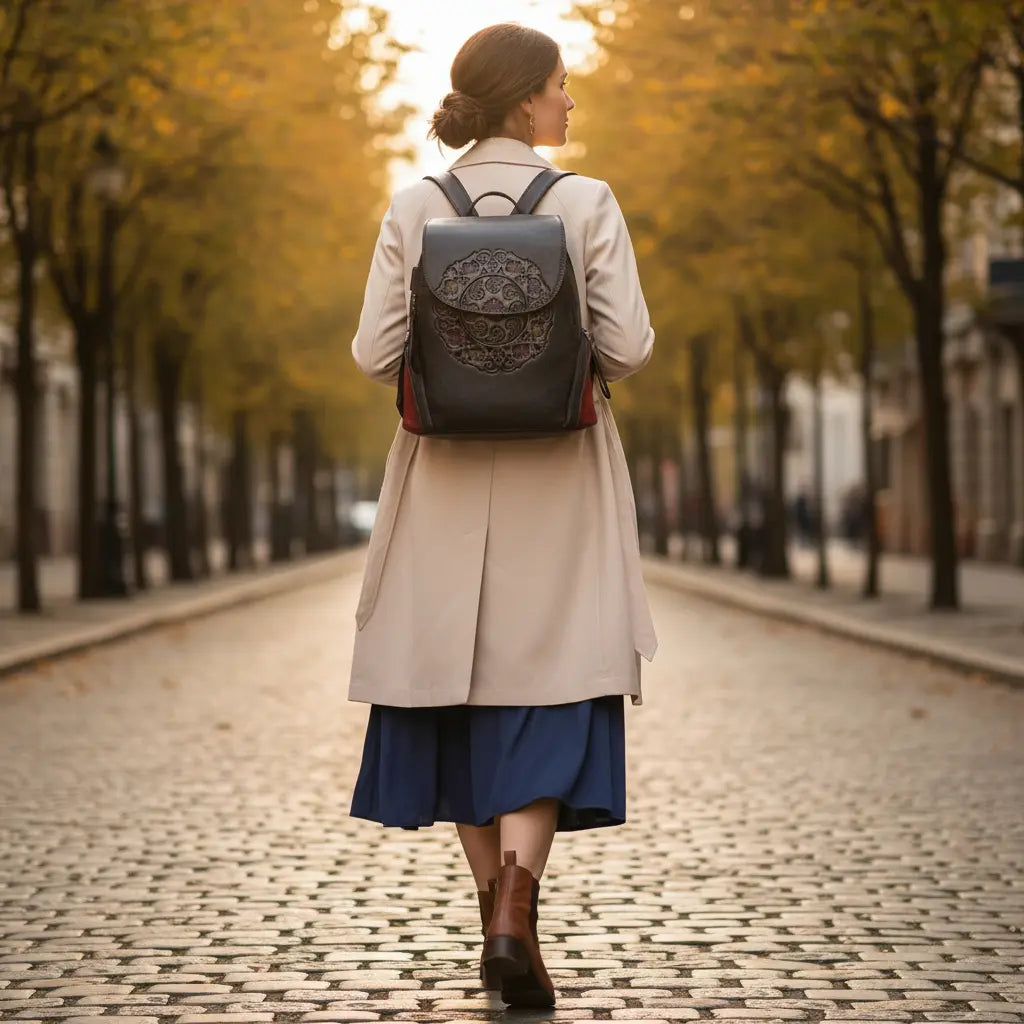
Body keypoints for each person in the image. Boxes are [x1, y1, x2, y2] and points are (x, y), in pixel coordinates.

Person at [346, 23, 657, 1008]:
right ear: (525, 100)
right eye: (561, 88)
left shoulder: (414, 206)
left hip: (441, 478)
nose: (570, 104)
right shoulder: (585, 201)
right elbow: (631, 345)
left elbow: (370, 351)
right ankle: (519, 906)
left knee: (453, 694)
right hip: (558, 481)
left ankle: (495, 912)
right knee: (549, 685)